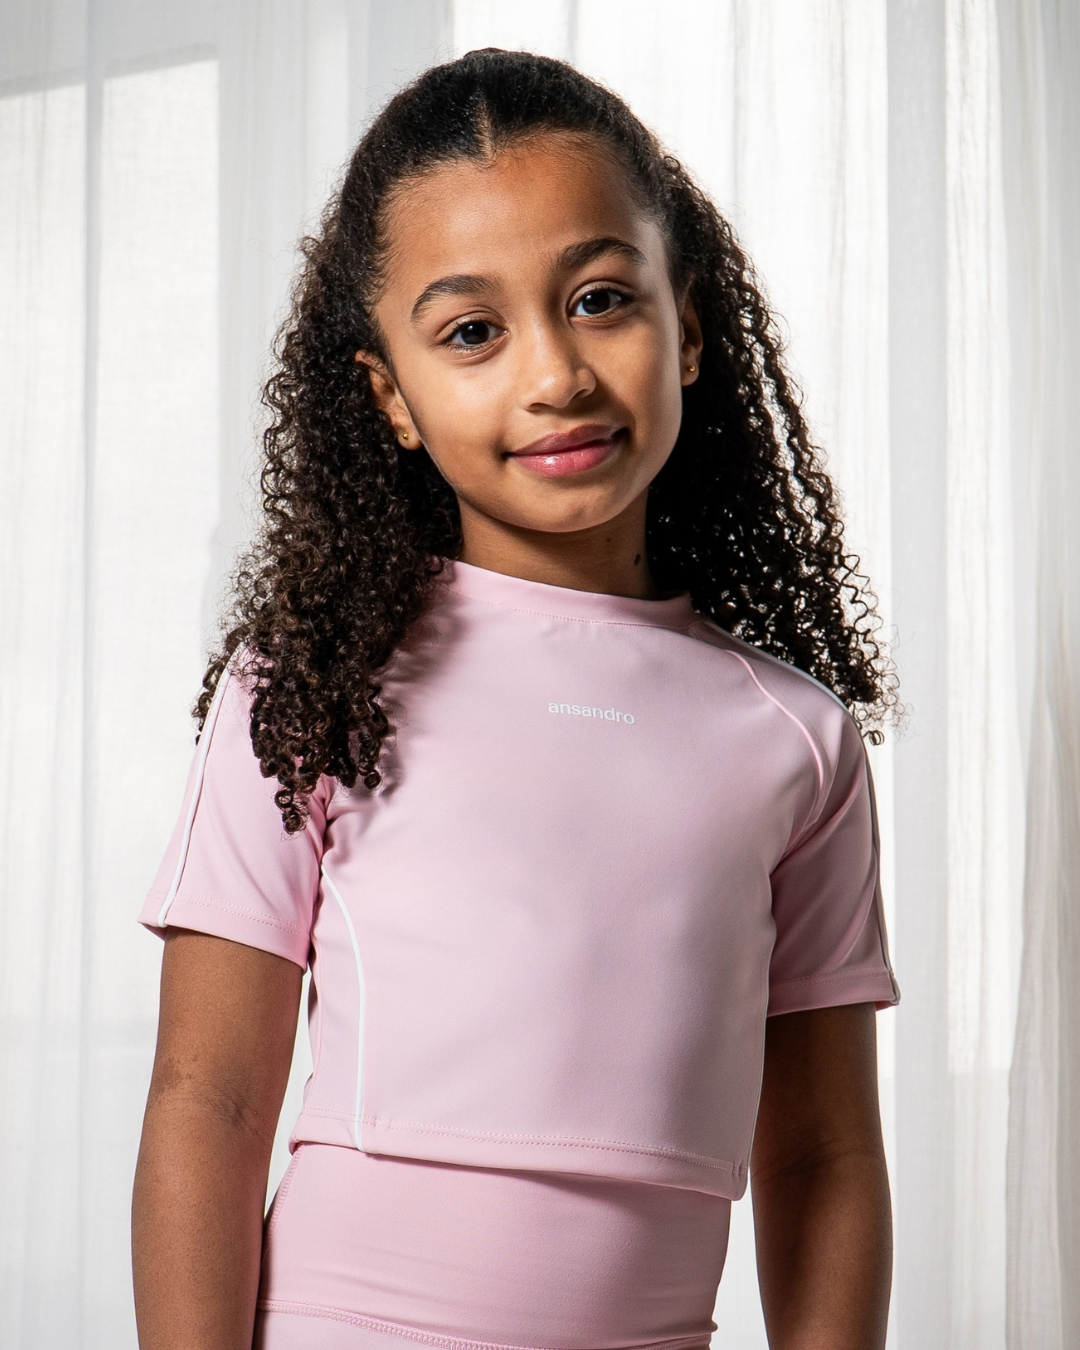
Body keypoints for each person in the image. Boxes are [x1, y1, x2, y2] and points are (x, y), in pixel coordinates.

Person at [131, 48, 900, 1350]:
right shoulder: (317, 684)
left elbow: (826, 1154)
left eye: (601, 298)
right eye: (473, 331)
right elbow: (206, 1102)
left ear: (693, 325)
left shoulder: (794, 739)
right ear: (392, 398)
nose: (556, 374)